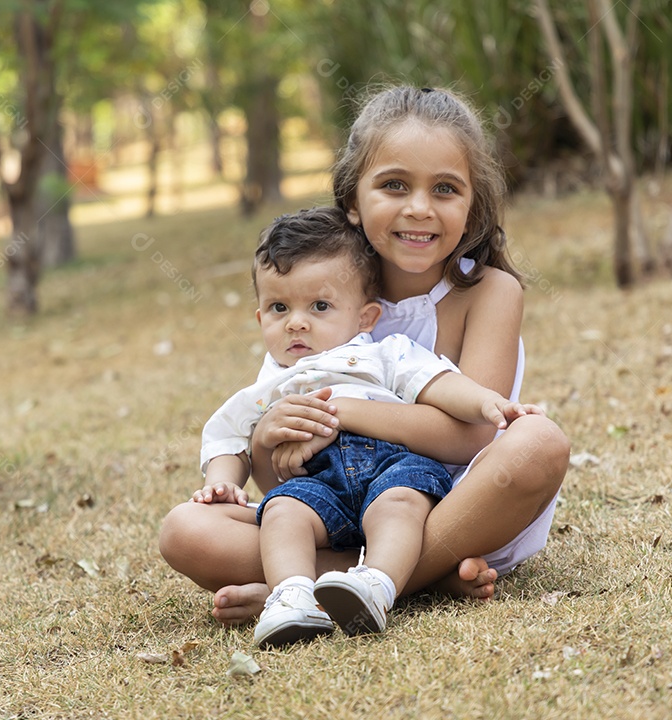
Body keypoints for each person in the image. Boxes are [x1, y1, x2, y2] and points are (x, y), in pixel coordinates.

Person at [160, 85, 570, 626]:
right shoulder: (317, 300)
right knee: (184, 530)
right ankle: (391, 582)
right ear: (353, 200)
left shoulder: (489, 293)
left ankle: (315, 590)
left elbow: (472, 436)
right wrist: (265, 438)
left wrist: (342, 411)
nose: (419, 208)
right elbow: (280, 476)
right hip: (336, 512)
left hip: (461, 512)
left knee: (539, 443)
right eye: (394, 185)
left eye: (445, 188)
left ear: (473, 207)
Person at [196, 207, 543, 647]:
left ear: (365, 318)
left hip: (391, 468)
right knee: (282, 513)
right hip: (317, 486)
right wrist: (223, 483)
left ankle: (377, 584)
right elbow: (226, 434)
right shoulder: (271, 385)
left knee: (400, 506)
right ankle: (291, 595)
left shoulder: (383, 353)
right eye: (279, 308)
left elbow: (438, 383)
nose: (296, 321)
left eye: (320, 306)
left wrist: (487, 402)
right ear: (260, 318)